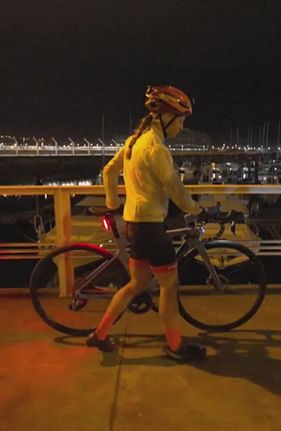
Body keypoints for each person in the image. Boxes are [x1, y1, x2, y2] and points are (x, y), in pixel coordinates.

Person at [85, 85, 207, 361]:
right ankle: (175, 346)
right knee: (169, 287)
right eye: (180, 120)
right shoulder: (156, 148)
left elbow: (109, 171)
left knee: (136, 283)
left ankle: (99, 334)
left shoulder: (134, 141)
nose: (181, 126)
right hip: (151, 228)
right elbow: (175, 187)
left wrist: (113, 203)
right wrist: (196, 209)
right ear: (166, 118)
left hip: (133, 224)